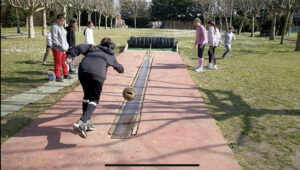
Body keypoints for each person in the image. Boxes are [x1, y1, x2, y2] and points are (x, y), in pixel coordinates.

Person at [65, 38, 124, 138]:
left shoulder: (92, 48)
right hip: (97, 75)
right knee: (94, 99)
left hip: (83, 72)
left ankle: (87, 121)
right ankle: (82, 122)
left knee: (87, 96)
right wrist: (122, 68)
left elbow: (79, 47)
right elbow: (120, 69)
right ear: (112, 47)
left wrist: (70, 55)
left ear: (101, 43)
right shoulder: (110, 55)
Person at [50, 13, 72, 82]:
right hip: (57, 48)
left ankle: (65, 74)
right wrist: (61, 46)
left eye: (63, 21)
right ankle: (58, 76)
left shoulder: (62, 27)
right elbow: (54, 38)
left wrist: (66, 45)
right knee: (58, 63)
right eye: (61, 21)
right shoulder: (55, 27)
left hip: (64, 48)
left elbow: (64, 38)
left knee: (64, 62)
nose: (62, 22)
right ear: (57, 20)